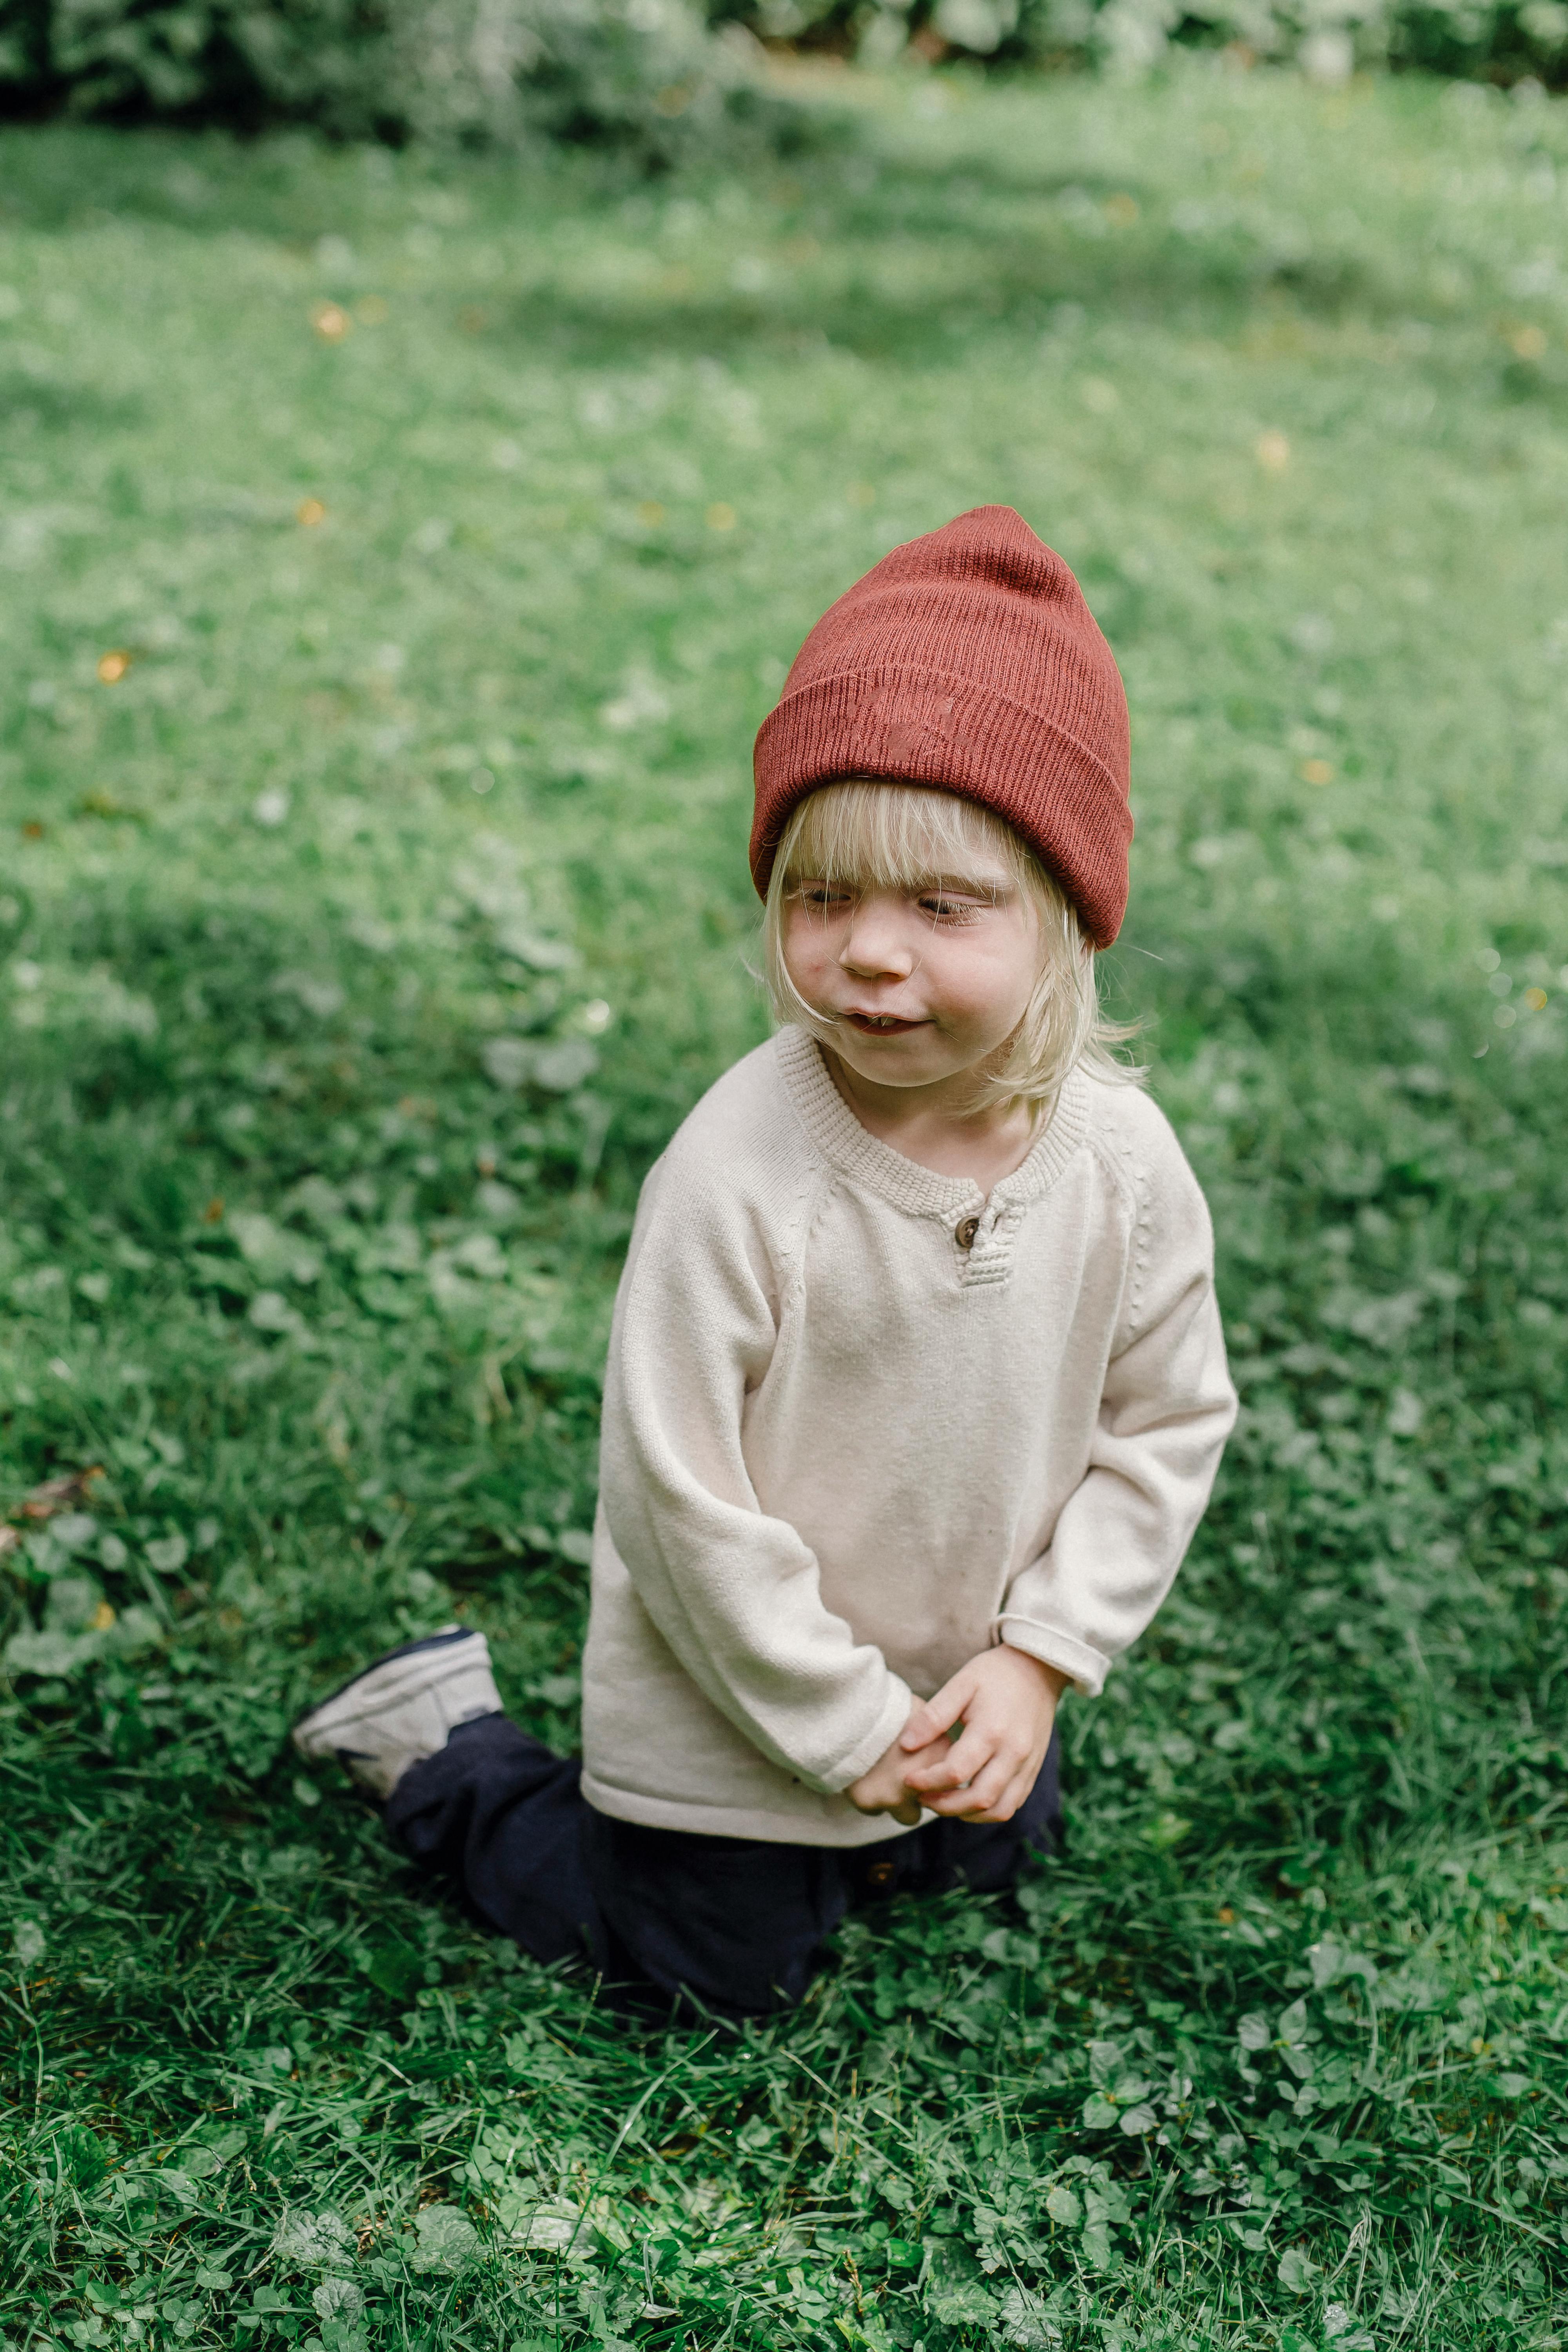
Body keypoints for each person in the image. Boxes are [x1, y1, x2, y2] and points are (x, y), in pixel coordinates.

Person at [294, 506, 1238, 2019]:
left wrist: (1042, 1661)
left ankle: (919, 1798)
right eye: (822, 895)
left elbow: (1167, 1423)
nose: (870, 951)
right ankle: (448, 1754)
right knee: (704, 1979)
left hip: (964, 1678)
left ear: (1068, 918)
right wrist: (844, 1723)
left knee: (983, 1859)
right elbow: (683, 1509)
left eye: (942, 906)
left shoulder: (1123, 1165)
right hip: (741, 1707)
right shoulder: (743, 1174)